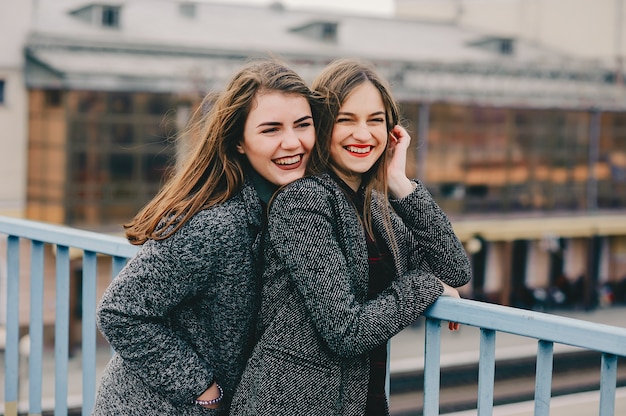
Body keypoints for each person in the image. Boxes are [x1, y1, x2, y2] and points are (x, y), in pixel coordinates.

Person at [230, 58, 472, 415]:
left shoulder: (375, 206)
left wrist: (401, 185)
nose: (363, 135)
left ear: (391, 132)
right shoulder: (304, 202)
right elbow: (347, 331)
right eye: (347, 120)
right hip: (289, 404)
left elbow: (455, 270)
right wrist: (425, 287)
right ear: (323, 126)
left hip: (357, 400)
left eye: (375, 120)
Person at [92, 59, 317, 415]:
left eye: (303, 125)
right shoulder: (217, 224)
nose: (293, 142)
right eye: (271, 129)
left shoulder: (287, 205)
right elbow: (120, 311)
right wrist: (201, 388)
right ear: (239, 142)